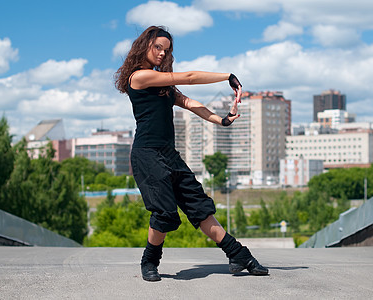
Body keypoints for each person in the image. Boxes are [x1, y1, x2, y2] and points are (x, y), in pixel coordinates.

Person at [114, 25, 268, 282]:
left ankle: (237, 254)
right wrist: (227, 76)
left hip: (168, 154)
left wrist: (222, 120)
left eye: (167, 50)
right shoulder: (139, 77)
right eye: (158, 48)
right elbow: (189, 77)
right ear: (145, 46)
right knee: (164, 212)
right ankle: (150, 261)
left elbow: (190, 103)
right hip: (147, 154)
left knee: (199, 206)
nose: (163, 53)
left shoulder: (163, 86)